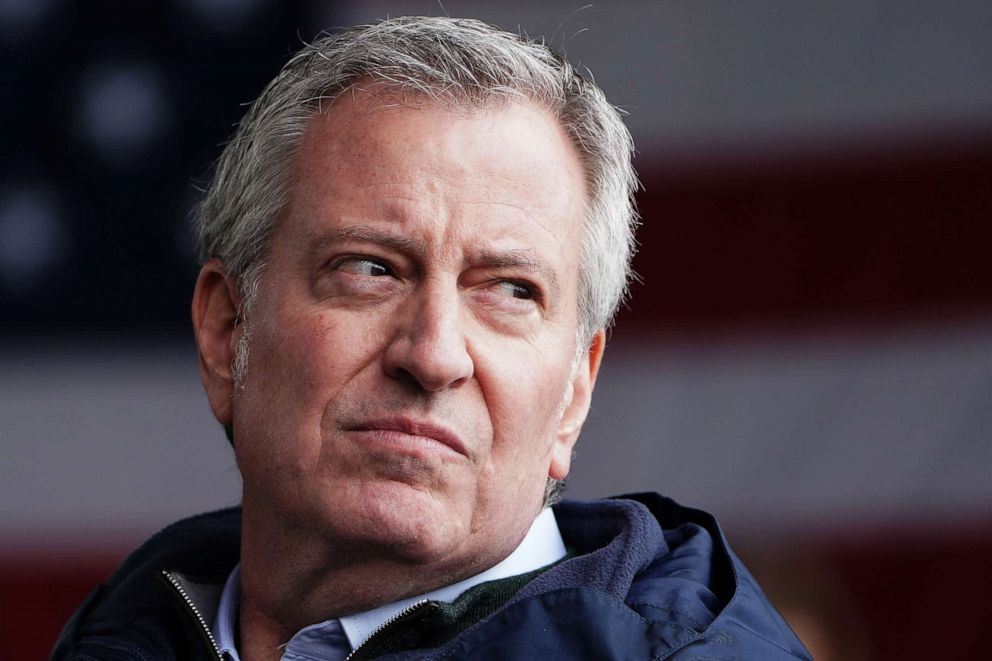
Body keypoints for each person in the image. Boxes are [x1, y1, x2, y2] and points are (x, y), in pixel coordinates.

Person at [53, 16, 810, 660]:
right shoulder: (118, 635)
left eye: (511, 290)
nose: (435, 353)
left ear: (575, 390)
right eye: (372, 269)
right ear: (228, 330)